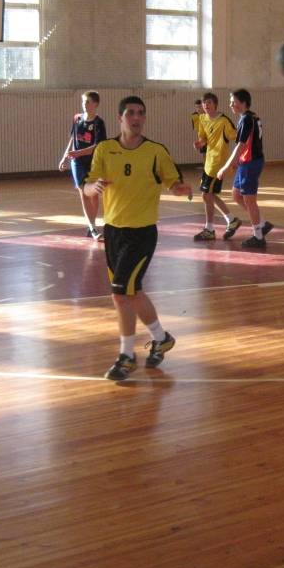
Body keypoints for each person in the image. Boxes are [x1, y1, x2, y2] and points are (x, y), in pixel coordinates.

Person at [83, 96, 192, 381]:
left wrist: (180, 188)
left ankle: (126, 356)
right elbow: (87, 186)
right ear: (120, 118)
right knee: (132, 292)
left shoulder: (155, 151)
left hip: (141, 233)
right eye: (131, 113)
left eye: (141, 113)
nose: (136, 117)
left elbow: (172, 180)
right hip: (114, 232)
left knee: (120, 294)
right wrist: (92, 187)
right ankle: (161, 337)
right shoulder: (105, 149)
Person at [217, 89, 273, 248]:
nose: (230, 104)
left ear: (242, 103)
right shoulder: (250, 117)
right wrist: (237, 162)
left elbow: (240, 146)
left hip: (251, 163)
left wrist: (226, 166)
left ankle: (258, 236)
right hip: (246, 162)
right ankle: (262, 223)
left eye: (233, 101)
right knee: (236, 194)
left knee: (249, 200)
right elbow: (247, 144)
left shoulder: (247, 120)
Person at [192, 93, 242, 241]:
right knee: (210, 195)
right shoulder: (202, 119)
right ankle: (231, 220)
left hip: (218, 163)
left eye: (208, 103)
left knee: (206, 195)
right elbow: (204, 138)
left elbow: (238, 137)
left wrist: (237, 158)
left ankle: (210, 229)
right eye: (203, 103)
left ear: (215, 104)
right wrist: (200, 143)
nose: (205, 105)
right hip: (208, 162)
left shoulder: (224, 121)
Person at [58, 91, 107, 239]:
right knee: (83, 193)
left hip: (93, 162)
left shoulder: (99, 123)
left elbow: (97, 146)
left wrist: (78, 153)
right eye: (83, 102)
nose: (84, 105)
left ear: (95, 104)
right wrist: (65, 157)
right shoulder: (77, 119)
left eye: (87, 102)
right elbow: (73, 139)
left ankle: (91, 224)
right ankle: (92, 228)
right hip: (77, 162)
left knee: (94, 194)